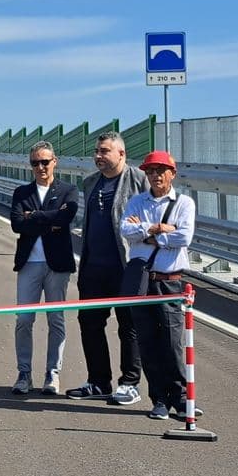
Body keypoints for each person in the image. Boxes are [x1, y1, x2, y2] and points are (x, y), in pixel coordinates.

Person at [66, 132, 149, 404]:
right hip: (93, 266)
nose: (98, 156)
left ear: (121, 154)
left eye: (104, 151)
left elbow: (155, 209)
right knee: (90, 323)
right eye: (97, 152)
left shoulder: (138, 179)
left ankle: (129, 383)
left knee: (129, 326)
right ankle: (98, 381)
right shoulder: (91, 182)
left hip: (125, 266)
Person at [120, 150, 199, 420]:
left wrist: (145, 232)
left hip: (170, 282)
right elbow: (125, 230)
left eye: (160, 170)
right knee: (147, 341)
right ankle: (159, 399)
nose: (155, 176)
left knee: (173, 343)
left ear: (172, 174)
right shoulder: (137, 201)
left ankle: (181, 399)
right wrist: (158, 228)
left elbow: (184, 237)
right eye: (150, 171)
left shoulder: (184, 203)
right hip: (142, 282)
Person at [9, 141, 78, 395]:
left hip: (57, 264)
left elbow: (65, 218)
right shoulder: (21, 193)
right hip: (29, 263)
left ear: (54, 162)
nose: (40, 167)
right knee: (24, 319)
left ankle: (53, 373)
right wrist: (49, 219)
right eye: (35, 163)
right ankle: (24, 373)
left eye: (45, 162)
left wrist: (33, 216)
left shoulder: (68, 190)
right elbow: (17, 224)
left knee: (56, 319)